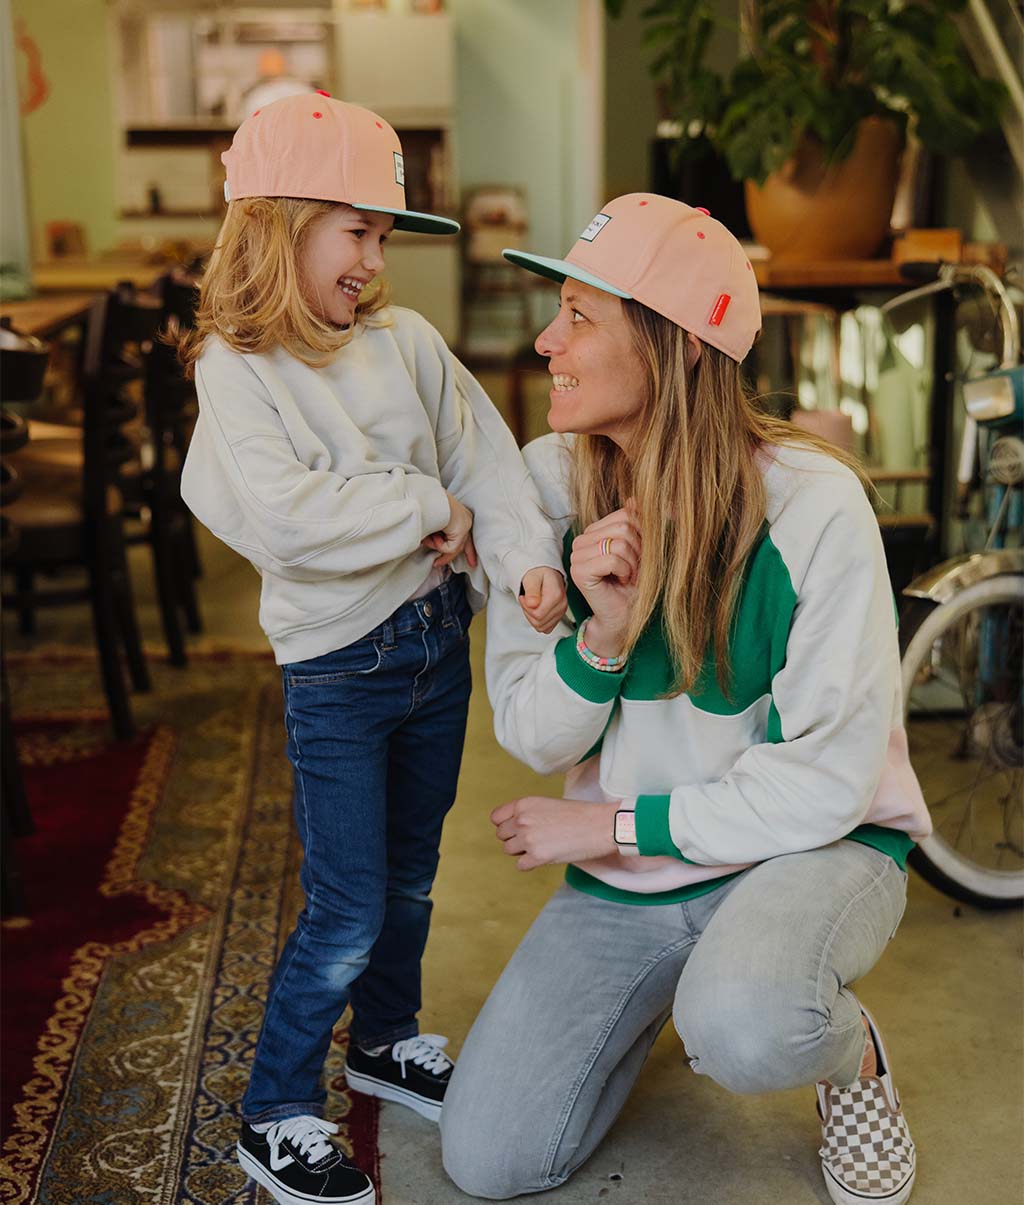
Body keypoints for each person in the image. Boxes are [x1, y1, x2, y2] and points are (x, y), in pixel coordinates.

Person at [440, 193, 931, 1205]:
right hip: (635, 876)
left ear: (673, 346)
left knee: (749, 1025)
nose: (544, 341)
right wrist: (603, 639)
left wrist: (615, 819)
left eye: (579, 316)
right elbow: (532, 733)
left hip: (816, 849)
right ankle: (694, 980)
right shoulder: (540, 493)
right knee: (490, 1157)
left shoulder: (812, 505)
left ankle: (849, 1057)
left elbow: (824, 785)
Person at [178, 92, 567, 1205]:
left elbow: (484, 458)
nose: (372, 258)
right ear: (278, 224)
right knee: (346, 903)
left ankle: (384, 1038)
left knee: (409, 874)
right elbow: (291, 521)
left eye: (381, 236)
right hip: (340, 672)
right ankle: (277, 1106)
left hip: (435, 645)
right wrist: (419, 506)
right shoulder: (237, 370)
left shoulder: (406, 343)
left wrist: (521, 554)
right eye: (356, 230)